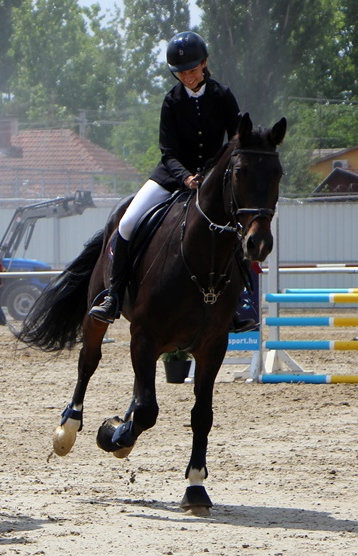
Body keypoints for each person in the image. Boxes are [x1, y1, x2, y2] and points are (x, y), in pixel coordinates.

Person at [89, 31, 255, 333]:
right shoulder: (171, 101)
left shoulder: (223, 95)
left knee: (236, 227)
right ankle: (113, 296)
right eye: (181, 73)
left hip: (213, 180)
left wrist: (212, 171)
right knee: (126, 223)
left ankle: (240, 303)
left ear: (204, 64)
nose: (188, 77)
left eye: (192, 70)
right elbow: (168, 152)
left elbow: (236, 140)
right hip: (172, 177)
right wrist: (186, 177)